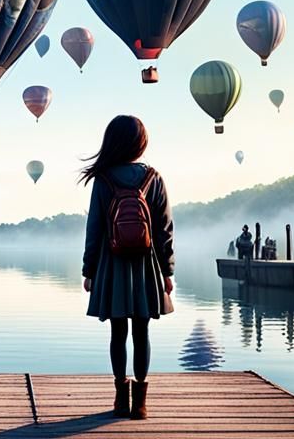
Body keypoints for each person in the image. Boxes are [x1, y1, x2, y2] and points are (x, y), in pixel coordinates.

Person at [81, 115, 174, 420]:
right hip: (146, 264)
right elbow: (163, 229)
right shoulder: (153, 178)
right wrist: (167, 270)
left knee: (118, 330)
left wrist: (89, 270)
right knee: (142, 330)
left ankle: (121, 399)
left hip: (112, 262)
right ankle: (141, 404)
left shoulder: (103, 178)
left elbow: (94, 228)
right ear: (140, 143)